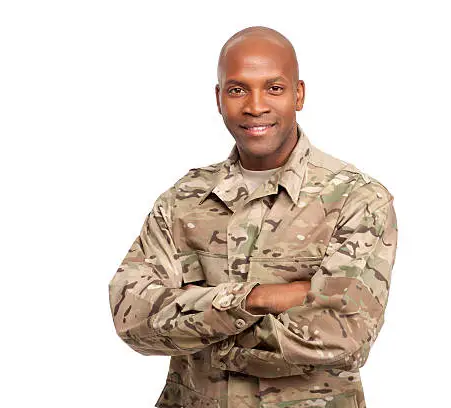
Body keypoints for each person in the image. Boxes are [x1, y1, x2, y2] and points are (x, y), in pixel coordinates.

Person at [108, 26, 398, 408]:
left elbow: (343, 336)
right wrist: (257, 300)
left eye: (274, 88)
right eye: (237, 89)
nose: (255, 105)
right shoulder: (184, 200)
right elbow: (131, 318)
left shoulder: (356, 200)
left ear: (299, 94)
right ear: (218, 98)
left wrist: (199, 324)